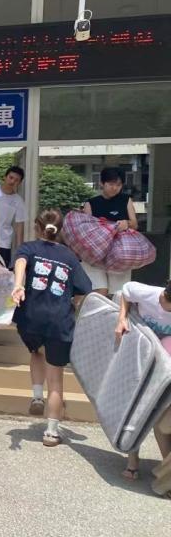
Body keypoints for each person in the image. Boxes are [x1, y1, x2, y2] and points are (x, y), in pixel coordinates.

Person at [11, 210, 92, 446]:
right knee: (55, 379)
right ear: (60, 231)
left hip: (31, 318)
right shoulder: (70, 257)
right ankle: (51, 432)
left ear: (37, 227)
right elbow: (84, 289)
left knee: (36, 351)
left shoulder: (29, 247)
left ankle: (37, 396)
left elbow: (21, 262)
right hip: (59, 321)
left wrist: (18, 285)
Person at [114, 280, 171, 481]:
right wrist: (122, 318)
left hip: (165, 361)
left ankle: (167, 471)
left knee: (161, 416)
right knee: (135, 409)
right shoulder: (149, 294)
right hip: (141, 351)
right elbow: (126, 291)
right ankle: (132, 461)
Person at [82, 166, 138, 296]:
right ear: (102, 183)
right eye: (111, 184)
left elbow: (134, 224)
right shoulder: (91, 203)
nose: (115, 188)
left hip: (120, 253)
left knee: (118, 294)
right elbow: (86, 231)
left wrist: (126, 224)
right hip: (95, 253)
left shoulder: (126, 200)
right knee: (99, 292)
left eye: (118, 185)